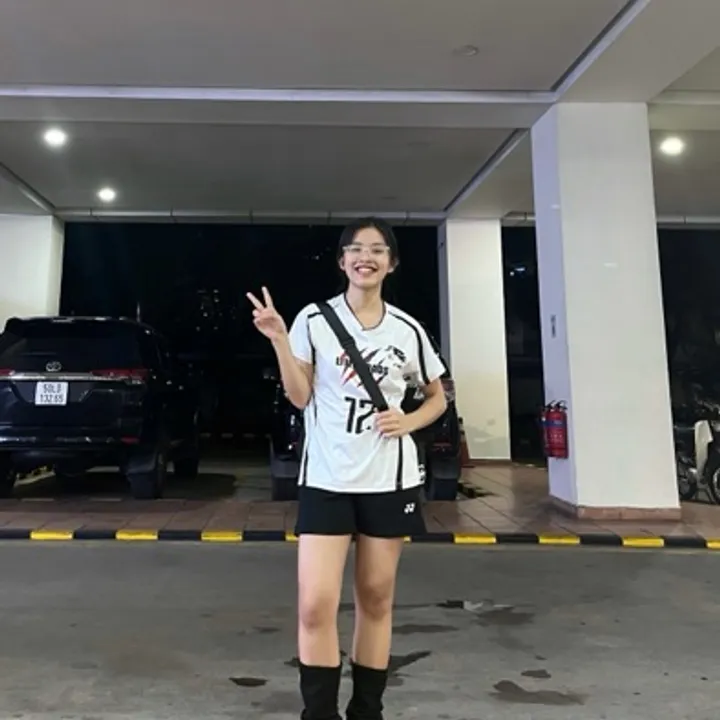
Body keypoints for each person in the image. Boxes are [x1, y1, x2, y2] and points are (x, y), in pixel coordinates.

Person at [247, 218, 447, 720]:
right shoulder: (313, 320)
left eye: (378, 250)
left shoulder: (407, 329)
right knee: (315, 603)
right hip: (327, 478)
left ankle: (366, 711)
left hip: (389, 479)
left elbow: (437, 396)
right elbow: (300, 396)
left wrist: (409, 420)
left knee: (376, 598)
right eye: (356, 249)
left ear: (391, 263)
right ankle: (318, 713)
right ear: (342, 262)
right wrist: (278, 339)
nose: (366, 257)